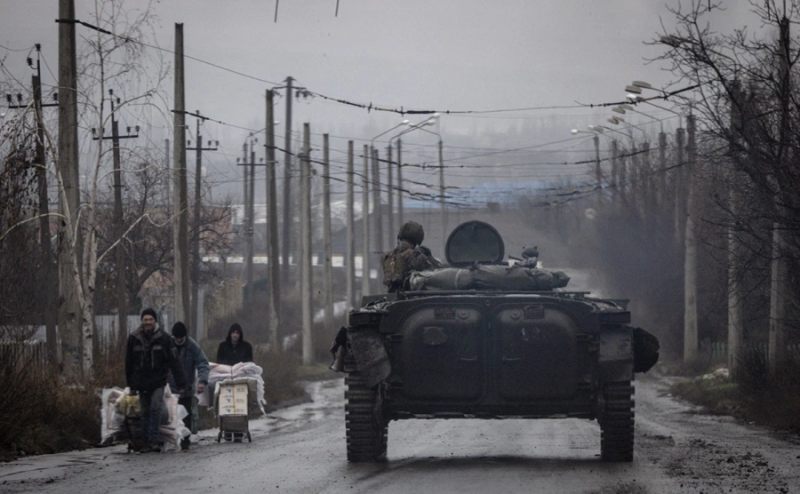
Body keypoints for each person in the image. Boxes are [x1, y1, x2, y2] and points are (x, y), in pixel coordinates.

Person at [125, 308, 186, 453]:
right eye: (145, 320)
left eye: (150, 319)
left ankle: (153, 441)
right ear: (142, 321)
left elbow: (175, 361)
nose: (148, 322)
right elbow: (129, 363)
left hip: (158, 381)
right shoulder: (133, 338)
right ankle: (146, 443)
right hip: (141, 382)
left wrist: (181, 383)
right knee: (145, 412)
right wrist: (130, 385)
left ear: (155, 321)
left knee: (155, 408)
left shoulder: (164, 339)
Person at [168, 321, 210, 451]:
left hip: (186, 388)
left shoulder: (192, 346)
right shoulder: (168, 345)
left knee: (186, 415)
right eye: (177, 338)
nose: (179, 340)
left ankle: (185, 441)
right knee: (169, 415)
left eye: (181, 338)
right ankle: (168, 440)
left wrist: (202, 382)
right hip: (169, 388)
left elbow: (203, 363)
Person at [383, 221, 441, 292]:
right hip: (411, 296)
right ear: (418, 239)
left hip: (391, 297)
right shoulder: (417, 257)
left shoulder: (387, 256)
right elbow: (434, 275)